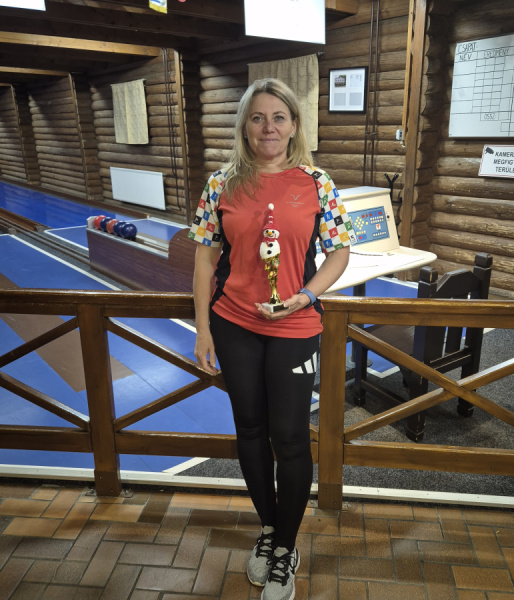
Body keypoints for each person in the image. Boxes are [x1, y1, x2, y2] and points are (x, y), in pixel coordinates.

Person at [189, 78, 354, 600]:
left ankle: (286, 546)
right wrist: (202, 328)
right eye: (257, 118)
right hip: (234, 324)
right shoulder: (220, 184)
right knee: (250, 429)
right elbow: (204, 260)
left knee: (290, 436)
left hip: (295, 327)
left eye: (278, 117)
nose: (268, 127)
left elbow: (340, 252)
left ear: (294, 126)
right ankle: (268, 529)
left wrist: (305, 296)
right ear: (244, 126)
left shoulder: (317, 183)